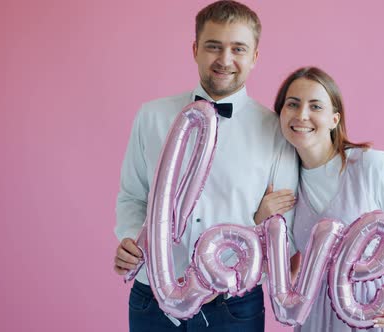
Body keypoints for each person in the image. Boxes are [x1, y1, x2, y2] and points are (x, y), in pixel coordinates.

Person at [113, 1, 298, 331]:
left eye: (238, 49)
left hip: (233, 304)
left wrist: (225, 271)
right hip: (151, 297)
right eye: (214, 46)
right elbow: (132, 197)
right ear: (196, 49)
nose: (225, 60)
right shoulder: (151, 116)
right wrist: (129, 238)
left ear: (254, 56)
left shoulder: (276, 131)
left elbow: (283, 228)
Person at [256, 66, 384, 331]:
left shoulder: (372, 166)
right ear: (281, 114)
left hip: (376, 310)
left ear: (334, 119)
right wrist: (261, 221)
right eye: (293, 104)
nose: (302, 115)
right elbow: (287, 274)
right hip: (318, 316)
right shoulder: (284, 185)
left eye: (316, 106)